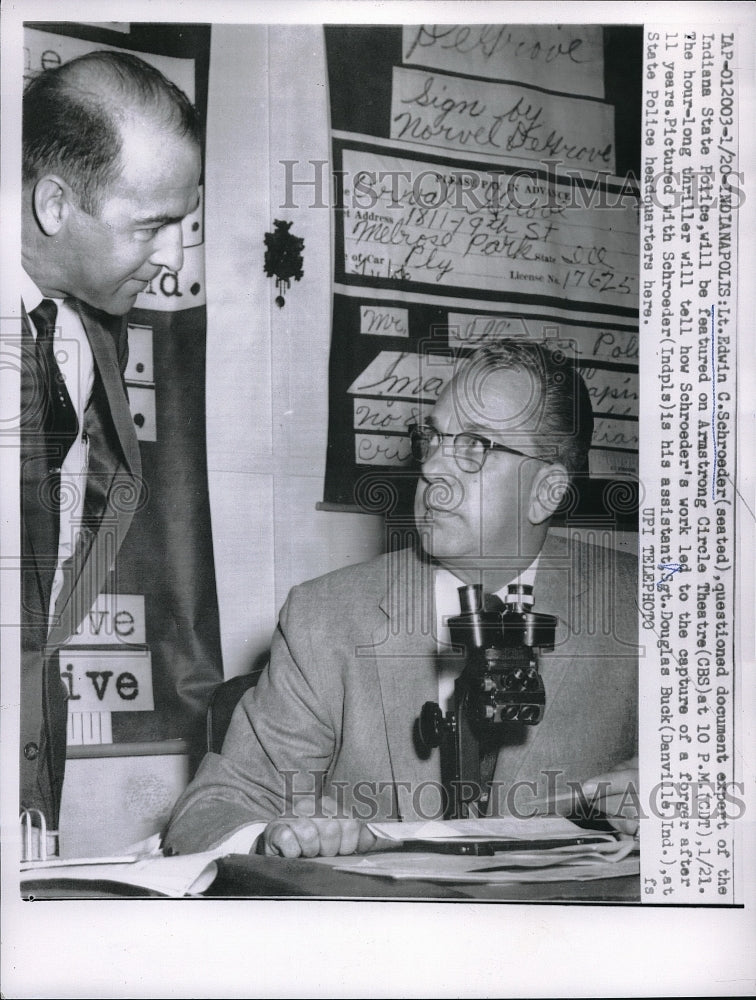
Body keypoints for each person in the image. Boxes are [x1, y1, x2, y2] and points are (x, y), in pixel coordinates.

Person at [163, 340, 639, 858]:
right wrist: (276, 836)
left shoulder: (648, 610)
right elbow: (210, 810)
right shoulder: (323, 619)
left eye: (477, 446)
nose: (434, 469)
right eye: (433, 439)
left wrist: (682, 806)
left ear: (547, 491)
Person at [19, 50, 202, 842]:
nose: (173, 260)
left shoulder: (85, 329)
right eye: (152, 226)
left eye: (183, 224)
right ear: (55, 203)